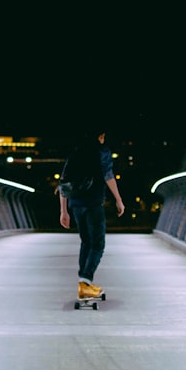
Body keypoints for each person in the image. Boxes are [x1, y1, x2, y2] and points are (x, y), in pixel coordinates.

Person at [59, 128, 125, 299]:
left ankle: (84, 283)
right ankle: (86, 281)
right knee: (97, 244)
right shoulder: (101, 151)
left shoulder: (76, 151)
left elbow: (63, 182)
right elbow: (108, 175)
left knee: (86, 242)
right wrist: (118, 199)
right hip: (93, 203)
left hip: (76, 205)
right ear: (101, 136)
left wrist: (63, 211)